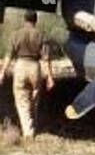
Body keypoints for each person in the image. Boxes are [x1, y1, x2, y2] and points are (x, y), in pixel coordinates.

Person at [0, 10, 56, 138]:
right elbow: (46, 58)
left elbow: (8, 56)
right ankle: (32, 128)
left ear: (24, 20)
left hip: (20, 66)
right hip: (35, 67)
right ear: (35, 20)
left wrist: (2, 72)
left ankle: (28, 133)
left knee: (22, 100)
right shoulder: (41, 35)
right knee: (34, 99)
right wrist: (50, 77)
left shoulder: (15, 35)